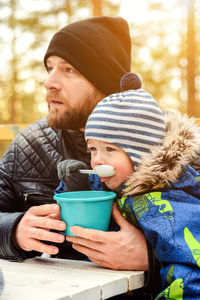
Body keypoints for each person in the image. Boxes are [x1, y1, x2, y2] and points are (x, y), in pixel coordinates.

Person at [0, 16, 160, 298]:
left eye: (69, 69)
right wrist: (13, 231)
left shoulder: (163, 145)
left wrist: (152, 257)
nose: (49, 82)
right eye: (50, 68)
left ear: (106, 83)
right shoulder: (29, 144)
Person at [62, 88, 200, 298]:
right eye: (93, 149)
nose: (97, 160)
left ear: (140, 154)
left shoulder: (170, 203)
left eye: (110, 149)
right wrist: (74, 188)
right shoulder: (114, 185)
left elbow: (189, 276)